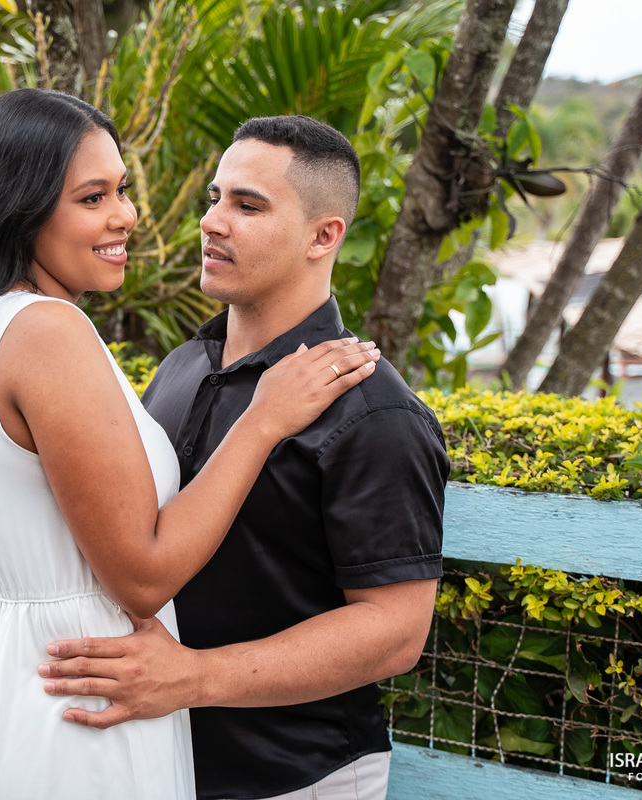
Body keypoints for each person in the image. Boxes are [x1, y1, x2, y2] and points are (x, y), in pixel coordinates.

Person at [0, 90, 379, 800]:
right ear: (19, 210)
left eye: (120, 189)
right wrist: (264, 419)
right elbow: (144, 580)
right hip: (78, 709)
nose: (126, 216)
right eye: (93, 198)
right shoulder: (49, 332)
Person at [38, 115, 450, 800]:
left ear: (324, 236)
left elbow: (394, 634)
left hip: (296, 777)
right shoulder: (179, 369)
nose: (213, 222)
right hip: (153, 763)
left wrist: (192, 677)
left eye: (247, 205)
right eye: (214, 197)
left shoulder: (373, 411)